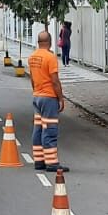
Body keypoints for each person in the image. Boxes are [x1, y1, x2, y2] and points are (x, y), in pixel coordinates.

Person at [29, 30, 67, 172]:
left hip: (37, 96)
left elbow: (32, 79)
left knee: (38, 129)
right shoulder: (50, 58)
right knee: (50, 130)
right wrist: (61, 98)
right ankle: (51, 163)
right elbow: (55, 81)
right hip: (48, 97)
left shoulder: (32, 57)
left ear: (38, 42)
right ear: (50, 42)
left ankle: (39, 161)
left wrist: (36, 92)